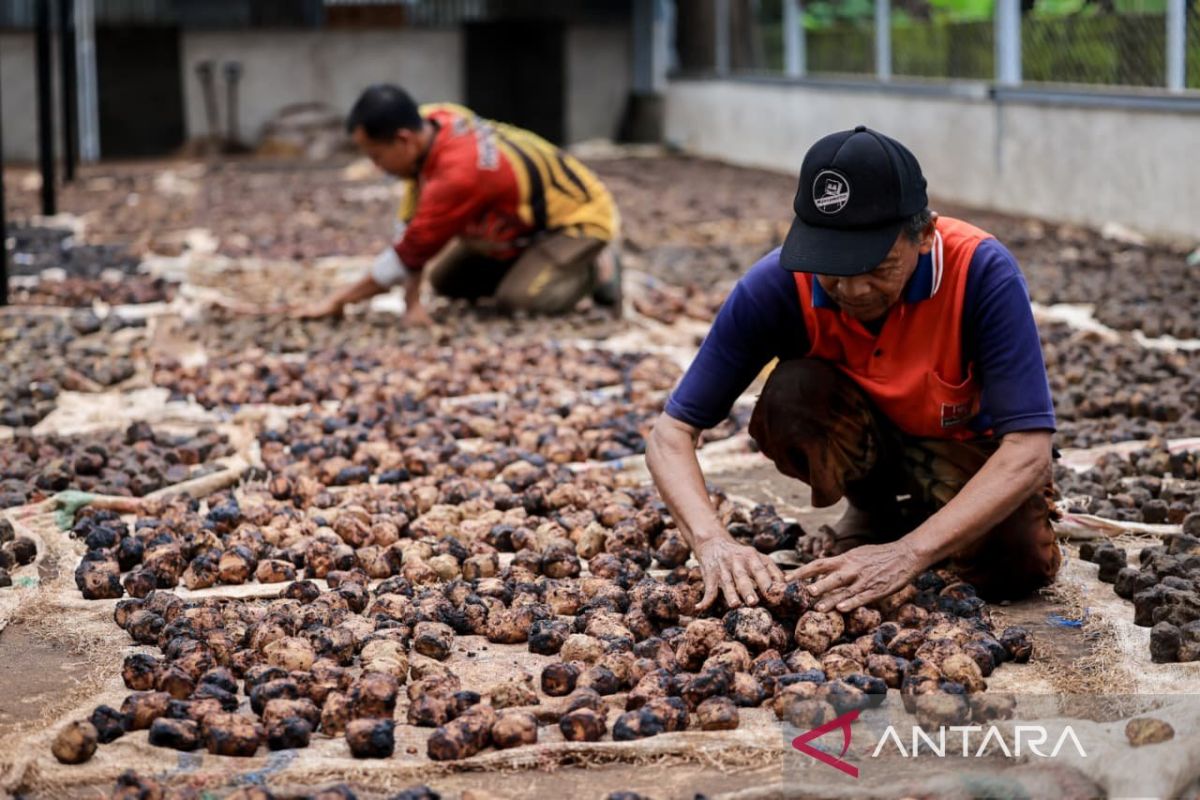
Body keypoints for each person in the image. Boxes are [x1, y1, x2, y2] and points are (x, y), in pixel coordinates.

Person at [646, 126, 1060, 615]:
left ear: (925, 235)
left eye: (878, 268)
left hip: (961, 449)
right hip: (864, 438)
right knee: (794, 396)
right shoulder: (777, 284)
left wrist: (908, 555)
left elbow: (1029, 449)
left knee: (1017, 565)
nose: (854, 290)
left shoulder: (980, 272)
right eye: (834, 268)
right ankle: (873, 509)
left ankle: (921, 523)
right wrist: (712, 542)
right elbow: (669, 435)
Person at [294, 85, 621, 323]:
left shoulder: (459, 175)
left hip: (577, 219)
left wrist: (339, 300)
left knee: (519, 301)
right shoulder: (432, 120)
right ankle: (530, 265)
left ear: (404, 140)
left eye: (377, 156)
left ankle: (597, 267)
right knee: (447, 282)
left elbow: (410, 251)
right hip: (520, 222)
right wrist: (412, 303)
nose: (377, 167)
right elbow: (413, 230)